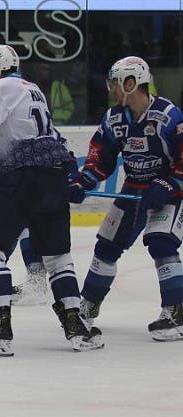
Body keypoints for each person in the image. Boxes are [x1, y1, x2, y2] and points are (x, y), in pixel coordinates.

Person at [0, 44, 103, 355]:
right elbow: (45, 135)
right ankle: (77, 324)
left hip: (23, 178)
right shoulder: (33, 88)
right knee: (57, 256)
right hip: (54, 175)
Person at [70, 56, 183, 341]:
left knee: (161, 242)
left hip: (169, 191)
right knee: (106, 247)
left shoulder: (169, 115)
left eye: (115, 83)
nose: (111, 89)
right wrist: (84, 180)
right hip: (133, 190)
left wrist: (168, 183)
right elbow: (101, 157)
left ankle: (176, 311)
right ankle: (88, 305)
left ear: (131, 83)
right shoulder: (114, 118)